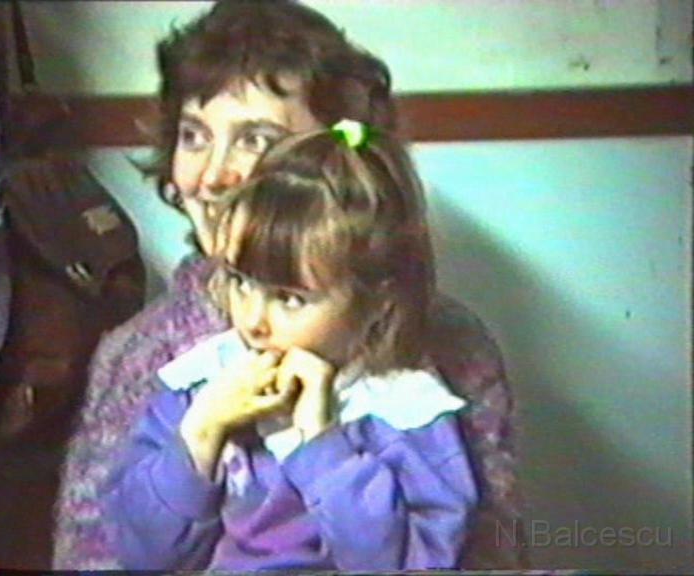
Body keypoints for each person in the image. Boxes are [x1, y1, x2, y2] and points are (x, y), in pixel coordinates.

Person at [53, 0, 526, 570]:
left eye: (255, 139)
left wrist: (326, 453)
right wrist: (199, 437)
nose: (212, 176)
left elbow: (479, 556)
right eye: (194, 136)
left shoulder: (449, 353)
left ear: (335, 157)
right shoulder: (143, 359)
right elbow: (102, 555)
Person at [104, 125, 479, 570]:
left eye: (289, 299)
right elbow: (141, 555)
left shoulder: (407, 412)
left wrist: (322, 446)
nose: (253, 320)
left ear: (375, 304)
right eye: (240, 282)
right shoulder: (198, 384)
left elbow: (409, 564)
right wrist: (201, 433)